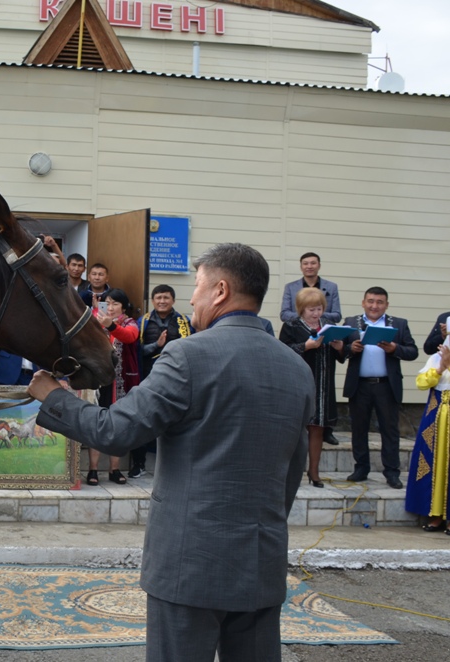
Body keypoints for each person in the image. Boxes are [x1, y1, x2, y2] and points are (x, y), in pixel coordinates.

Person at [29, 243, 312, 662]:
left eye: (196, 287)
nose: (191, 299)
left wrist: (54, 397)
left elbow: (115, 431)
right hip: (260, 561)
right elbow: (293, 470)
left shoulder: (187, 355)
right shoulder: (296, 368)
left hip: (189, 565)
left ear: (220, 290)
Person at [341, 287, 418, 488]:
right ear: (363, 302)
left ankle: (392, 472)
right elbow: (340, 353)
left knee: (389, 430)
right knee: (359, 429)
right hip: (360, 385)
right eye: (371, 301)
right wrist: (351, 349)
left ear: (386, 304)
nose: (374, 306)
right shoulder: (351, 323)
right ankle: (361, 468)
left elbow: (413, 352)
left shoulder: (399, 324)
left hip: (386, 385)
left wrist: (395, 349)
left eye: (379, 302)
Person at [279, 288, 346, 488]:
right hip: (299, 384)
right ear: (301, 309)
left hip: (324, 386)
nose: (316, 313)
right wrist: (306, 346)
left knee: (317, 429)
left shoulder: (329, 326)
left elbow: (342, 357)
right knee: (296, 430)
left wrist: (340, 347)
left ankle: (314, 472)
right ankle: (290, 472)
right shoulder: (291, 326)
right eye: (311, 310)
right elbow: (283, 352)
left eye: (318, 309)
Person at [280, 252, 342, 445]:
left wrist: (322, 323)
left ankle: (325, 432)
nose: (309, 266)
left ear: (319, 265)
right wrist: (302, 323)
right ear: (301, 267)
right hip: (301, 340)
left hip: (324, 372)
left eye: (313, 263)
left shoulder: (330, 287)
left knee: (318, 421)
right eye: (305, 263)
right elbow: (284, 313)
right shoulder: (291, 288)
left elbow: (337, 314)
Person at [133, 284, 192, 478]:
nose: (162, 301)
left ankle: (174, 466)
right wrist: (156, 346)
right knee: (143, 418)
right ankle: (139, 464)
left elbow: (191, 349)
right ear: (153, 301)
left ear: (173, 300)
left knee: (175, 421)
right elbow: (136, 352)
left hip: (176, 380)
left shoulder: (184, 322)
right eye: (158, 298)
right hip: (149, 378)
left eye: (166, 298)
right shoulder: (143, 322)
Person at [86, 288, 139, 486]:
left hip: (121, 383)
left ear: (123, 307)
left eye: (115, 303)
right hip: (98, 382)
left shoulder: (129, 323)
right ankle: (93, 469)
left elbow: (130, 336)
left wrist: (111, 326)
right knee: (96, 424)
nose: (110, 307)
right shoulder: (95, 319)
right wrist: (95, 314)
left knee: (119, 425)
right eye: (106, 303)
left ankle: (114, 469)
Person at [406, 338, 450, 533]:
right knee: (433, 461)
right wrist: (441, 367)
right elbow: (422, 383)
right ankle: (435, 514)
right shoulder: (435, 358)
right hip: (435, 417)